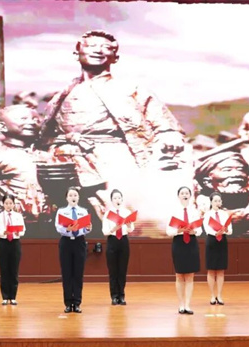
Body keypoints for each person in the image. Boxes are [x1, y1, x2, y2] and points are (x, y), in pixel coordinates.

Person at [39, 30, 186, 223]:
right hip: (63, 160)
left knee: (120, 215)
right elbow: (44, 132)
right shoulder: (63, 94)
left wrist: (169, 135)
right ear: (77, 53)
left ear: (115, 57)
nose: (98, 51)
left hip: (112, 156)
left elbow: (164, 123)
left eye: (106, 48)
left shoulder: (132, 90)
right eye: (92, 46)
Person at [194, 151, 249, 237]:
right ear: (207, 182)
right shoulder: (195, 207)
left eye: (240, 169)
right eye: (227, 170)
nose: (237, 174)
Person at [55, 186, 92, 313]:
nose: (73, 197)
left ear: (78, 197)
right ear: (66, 198)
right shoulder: (61, 211)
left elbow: (86, 229)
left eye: (75, 195)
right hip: (66, 242)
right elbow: (58, 227)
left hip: (79, 242)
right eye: (70, 195)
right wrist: (67, 229)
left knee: (78, 273)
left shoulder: (83, 211)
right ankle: (67, 303)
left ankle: (77, 303)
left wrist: (88, 228)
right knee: (66, 273)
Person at [166, 187, 202, 315]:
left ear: (190, 196)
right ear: (178, 196)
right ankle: (181, 305)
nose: (184, 195)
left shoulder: (194, 211)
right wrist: (179, 230)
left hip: (191, 243)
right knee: (180, 275)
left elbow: (200, 230)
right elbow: (168, 231)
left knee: (190, 275)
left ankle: (187, 305)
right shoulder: (174, 211)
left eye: (187, 193)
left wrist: (194, 231)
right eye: (182, 193)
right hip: (179, 243)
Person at [101, 189, 134, 305]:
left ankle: (122, 295)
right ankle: (114, 296)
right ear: (111, 200)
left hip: (123, 240)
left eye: (119, 197)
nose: (117, 200)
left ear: (122, 199)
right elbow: (105, 231)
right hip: (112, 240)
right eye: (115, 198)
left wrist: (128, 225)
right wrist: (113, 229)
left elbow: (131, 229)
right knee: (113, 270)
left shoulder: (126, 212)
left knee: (122, 270)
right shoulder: (108, 214)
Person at [0, 194, 26, 305]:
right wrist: (3, 232)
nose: (8, 205)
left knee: (14, 270)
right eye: (6, 203)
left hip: (15, 243)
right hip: (3, 243)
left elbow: (23, 230)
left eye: (10, 203)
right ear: (3, 204)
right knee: (4, 270)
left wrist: (18, 232)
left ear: (13, 204)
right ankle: (5, 296)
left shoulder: (18, 216)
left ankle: (13, 296)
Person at [202, 192, 232, 305]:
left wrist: (226, 230)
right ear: (211, 202)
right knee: (211, 270)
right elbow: (207, 229)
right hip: (212, 240)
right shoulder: (207, 214)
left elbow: (230, 230)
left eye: (219, 201)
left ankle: (219, 295)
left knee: (220, 270)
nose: (217, 203)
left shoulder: (224, 214)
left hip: (222, 241)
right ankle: (212, 295)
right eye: (215, 201)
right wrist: (216, 232)